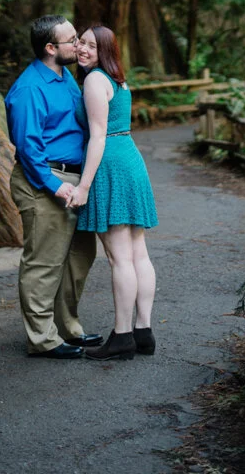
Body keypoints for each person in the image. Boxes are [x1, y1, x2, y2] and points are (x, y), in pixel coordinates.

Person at [5, 15, 100, 358]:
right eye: (72, 39)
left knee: (79, 255)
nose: (78, 44)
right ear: (50, 48)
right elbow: (28, 147)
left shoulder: (67, 79)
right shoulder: (30, 88)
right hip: (45, 181)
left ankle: (68, 327)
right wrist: (53, 185)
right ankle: (42, 339)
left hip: (76, 179)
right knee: (44, 262)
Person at [69, 24, 158, 361]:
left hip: (110, 165)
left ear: (105, 50)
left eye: (92, 46)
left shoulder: (94, 80)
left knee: (121, 257)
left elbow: (98, 135)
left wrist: (84, 185)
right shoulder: (120, 80)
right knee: (138, 253)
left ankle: (122, 336)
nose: (83, 50)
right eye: (81, 43)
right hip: (130, 159)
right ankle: (143, 331)